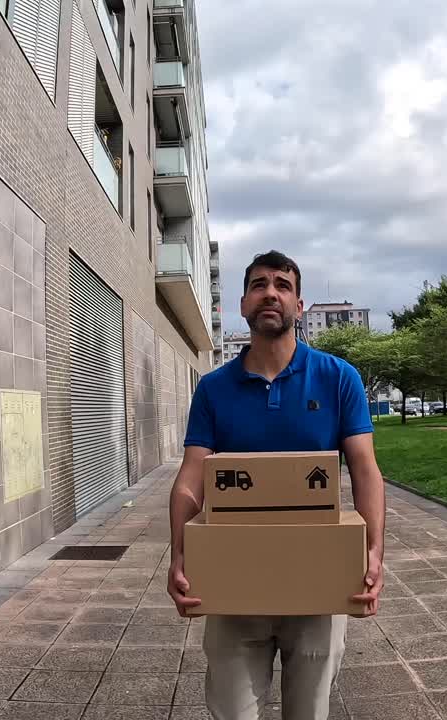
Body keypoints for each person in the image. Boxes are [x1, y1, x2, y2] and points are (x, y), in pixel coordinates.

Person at [167, 250, 386, 720]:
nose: (271, 293)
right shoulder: (213, 388)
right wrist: (180, 553)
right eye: (259, 284)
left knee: (308, 712)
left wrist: (373, 553)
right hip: (234, 583)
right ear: (243, 304)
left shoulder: (338, 378)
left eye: (283, 285)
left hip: (317, 583)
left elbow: (365, 469)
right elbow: (191, 475)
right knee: (232, 712)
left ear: (299, 305)